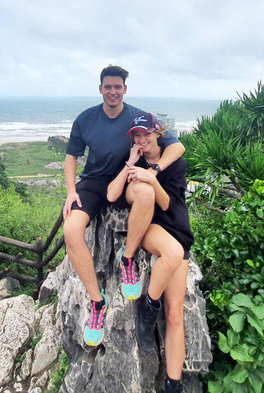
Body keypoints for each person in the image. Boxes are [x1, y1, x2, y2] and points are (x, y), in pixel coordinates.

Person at [62, 65, 185, 347]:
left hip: (128, 177)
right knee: (71, 230)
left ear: (125, 89)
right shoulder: (86, 119)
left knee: (145, 192)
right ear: (100, 89)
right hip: (93, 183)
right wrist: (71, 191)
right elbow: (71, 157)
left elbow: (177, 147)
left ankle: (127, 259)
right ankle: (97, 301)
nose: (113, 92)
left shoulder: (138, 118)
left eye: (118, 87)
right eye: (108, 87)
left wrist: (153, 169)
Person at [107, 112, 194, 393]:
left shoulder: (174, 160)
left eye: (147, 134)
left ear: (158, 133)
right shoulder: (136, 159)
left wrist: (152, 176)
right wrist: (133, 167)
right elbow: (114, 194)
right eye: (137, 136)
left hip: (177, 226)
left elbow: (168, 204)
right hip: (152, 227)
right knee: (171, 253)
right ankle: (149, 306)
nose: (142, 140)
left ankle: (173, 383)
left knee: (175, 316)